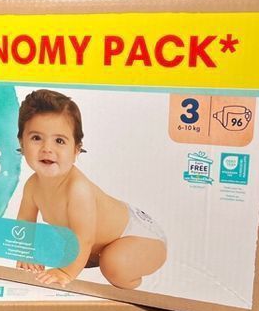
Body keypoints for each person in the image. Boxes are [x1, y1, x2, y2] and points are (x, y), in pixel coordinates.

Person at [15, 89, 166, 289]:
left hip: (140, 237)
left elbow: (84, 239)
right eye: (36, 138)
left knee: (114, 265)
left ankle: (133, 277)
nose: (47, 148)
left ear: (76, 149)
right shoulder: (32, 185)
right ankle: (94, 257)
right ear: (22, 143)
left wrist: (65, 272)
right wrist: (25, 252)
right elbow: (25, 223)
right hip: (95, 245)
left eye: (59, 141)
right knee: (50, 245)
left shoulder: (78, 190)